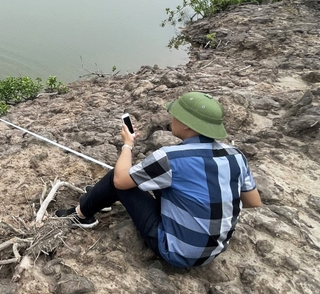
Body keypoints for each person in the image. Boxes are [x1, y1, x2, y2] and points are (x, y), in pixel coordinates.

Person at [57, 92, 262, 268]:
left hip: (177, 252)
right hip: (215, 250)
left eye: (175, 115)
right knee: (150, 181)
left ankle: (80, 216)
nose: (171, 118)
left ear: (188, 126)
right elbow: (253, 201)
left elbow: (120, 180)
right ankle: (101, 199)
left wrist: (127, 145)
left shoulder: (170, 157)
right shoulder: (236, 156)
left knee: (116, 179)